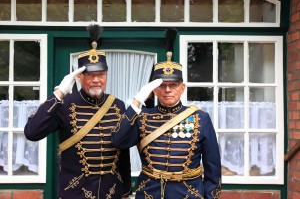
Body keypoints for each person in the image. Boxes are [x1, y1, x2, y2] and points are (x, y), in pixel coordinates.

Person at [24, 24, 131, 199]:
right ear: (79, 77)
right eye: (90, 75)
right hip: (75, 192)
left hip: (111, 192)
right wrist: (58, 93)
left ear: (106, 76)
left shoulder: (117, 105)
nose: (96, 80)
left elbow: (123, 150)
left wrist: (126, 189)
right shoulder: (64, 103)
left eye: (101, 74)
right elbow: (32, 132)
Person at [111, 28, 221, 199]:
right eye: (162, 86)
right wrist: (137, 102)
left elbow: (212, 166)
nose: (167, 90)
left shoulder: (201, 118)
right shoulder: (142, 117)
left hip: (188, 193)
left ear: (182, 88)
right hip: (150, 193)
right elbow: (118, 141)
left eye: (173, 85)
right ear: (154, 90)